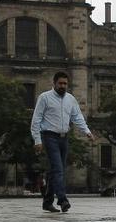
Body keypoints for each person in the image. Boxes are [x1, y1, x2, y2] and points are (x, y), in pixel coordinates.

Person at [30, 72, 94, 213]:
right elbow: (36, 120)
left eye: (65, 84)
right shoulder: (44, 98)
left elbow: (77, 117)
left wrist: (87, 131)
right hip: (49, 136)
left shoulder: (70, 99)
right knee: (58, 169)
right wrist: (37, 140)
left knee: (56, 171)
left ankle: (47, 202)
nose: (63, 86)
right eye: (60, 83)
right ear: (54, 83)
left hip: (64, 138)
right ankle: (62, 200)